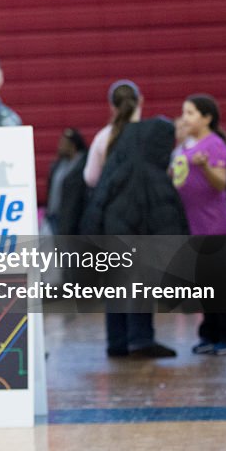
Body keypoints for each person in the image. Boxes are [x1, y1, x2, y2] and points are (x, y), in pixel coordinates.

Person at [81, 81, 179, 358]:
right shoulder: (152, 134)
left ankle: (117, 341)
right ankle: (141, 339)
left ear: (112, 105)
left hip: (112, 215)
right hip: (143, 214)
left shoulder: (105, 136)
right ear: (141, 100)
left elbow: (90, 177)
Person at [171, 95, 226, 355]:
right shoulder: (184, 146)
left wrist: (205, 168)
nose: (185, 118)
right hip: (193, 225)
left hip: (213, 224)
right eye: (184, 112)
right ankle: (209, 333)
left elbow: (221, 183)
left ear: (207, 118)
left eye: (190, 113)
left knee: (218, 282)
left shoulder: (214, 145)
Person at [45, 127, 87, 236]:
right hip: (53, 216)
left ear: (73, 145)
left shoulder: (83, 166)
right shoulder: (58, 165)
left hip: (73, 221)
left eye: (63, 143)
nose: (60, 146)